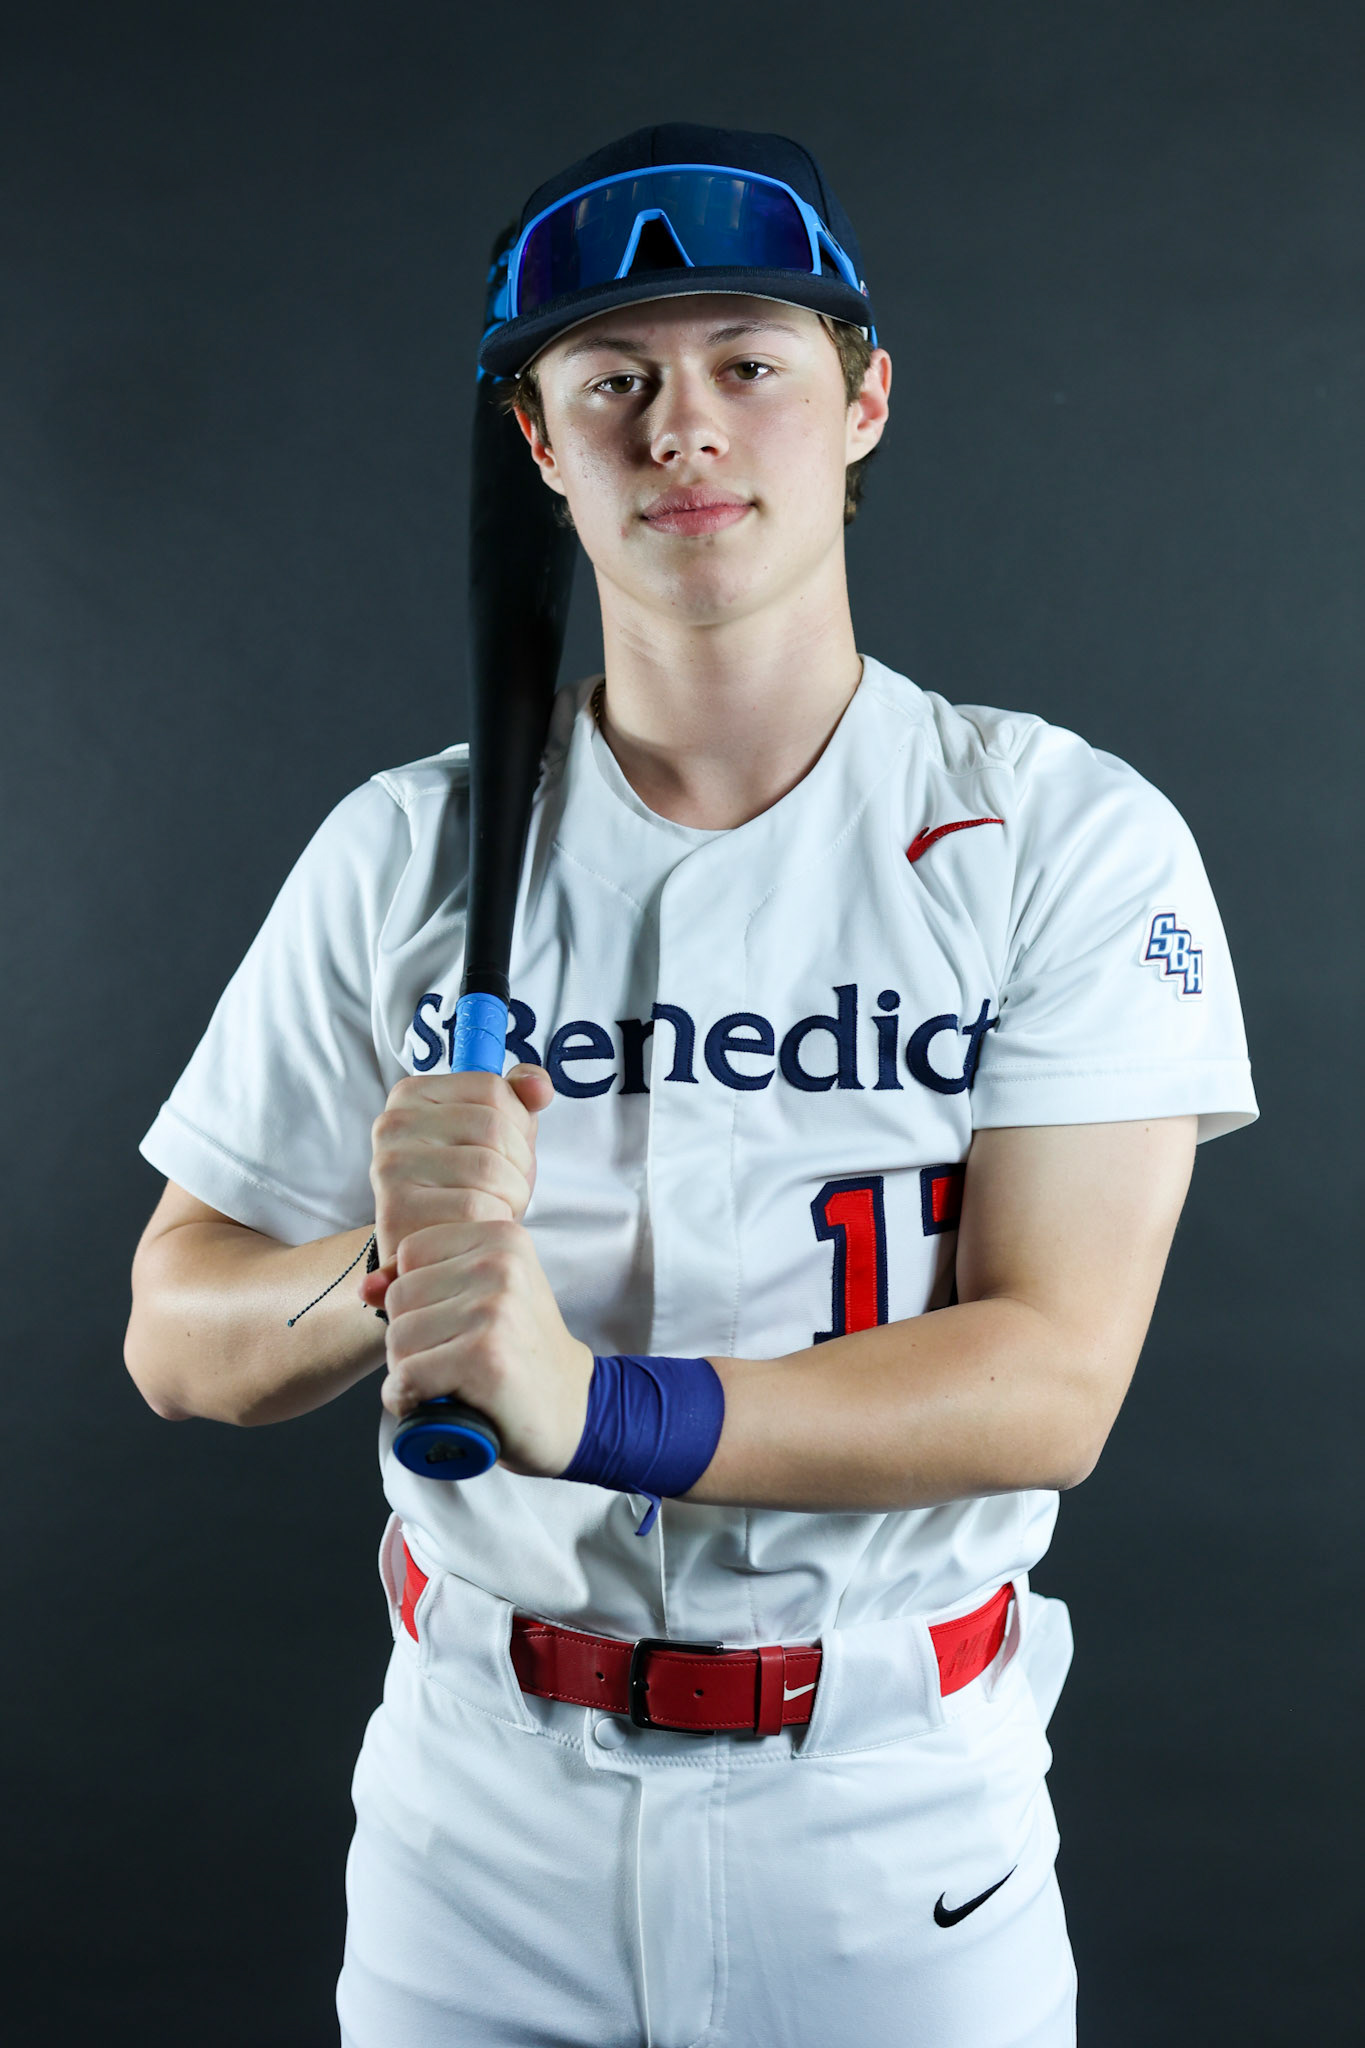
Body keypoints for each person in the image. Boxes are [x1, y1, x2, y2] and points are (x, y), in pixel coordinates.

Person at [125, 124, 1257, 2046]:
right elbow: (177, 1331)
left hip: (895, 1820)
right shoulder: (408, 854)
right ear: (544, 447)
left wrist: (591, 1405)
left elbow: (1052, 1379)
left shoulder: (1057, 834)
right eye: (616, 380)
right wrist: (397, 1271)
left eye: (749, 365)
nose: (686, 428)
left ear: (864, 402)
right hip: (474, 1816)